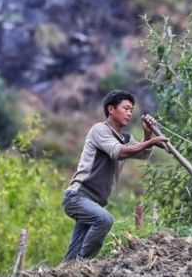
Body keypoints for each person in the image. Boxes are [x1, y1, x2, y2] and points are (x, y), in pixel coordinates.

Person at [61, 89, 169, 264]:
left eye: (131, 110)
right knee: (104, 219)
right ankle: (81, 266)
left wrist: (148, 134)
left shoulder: (125, 138)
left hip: (93, 203)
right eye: (125, 108)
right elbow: (119, 152)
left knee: (70, 258)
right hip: (77, 197)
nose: (129, 113)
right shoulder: (100, 130)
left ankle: (69, 268)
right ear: (111, 109)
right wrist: (152, 141)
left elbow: (143, 154)